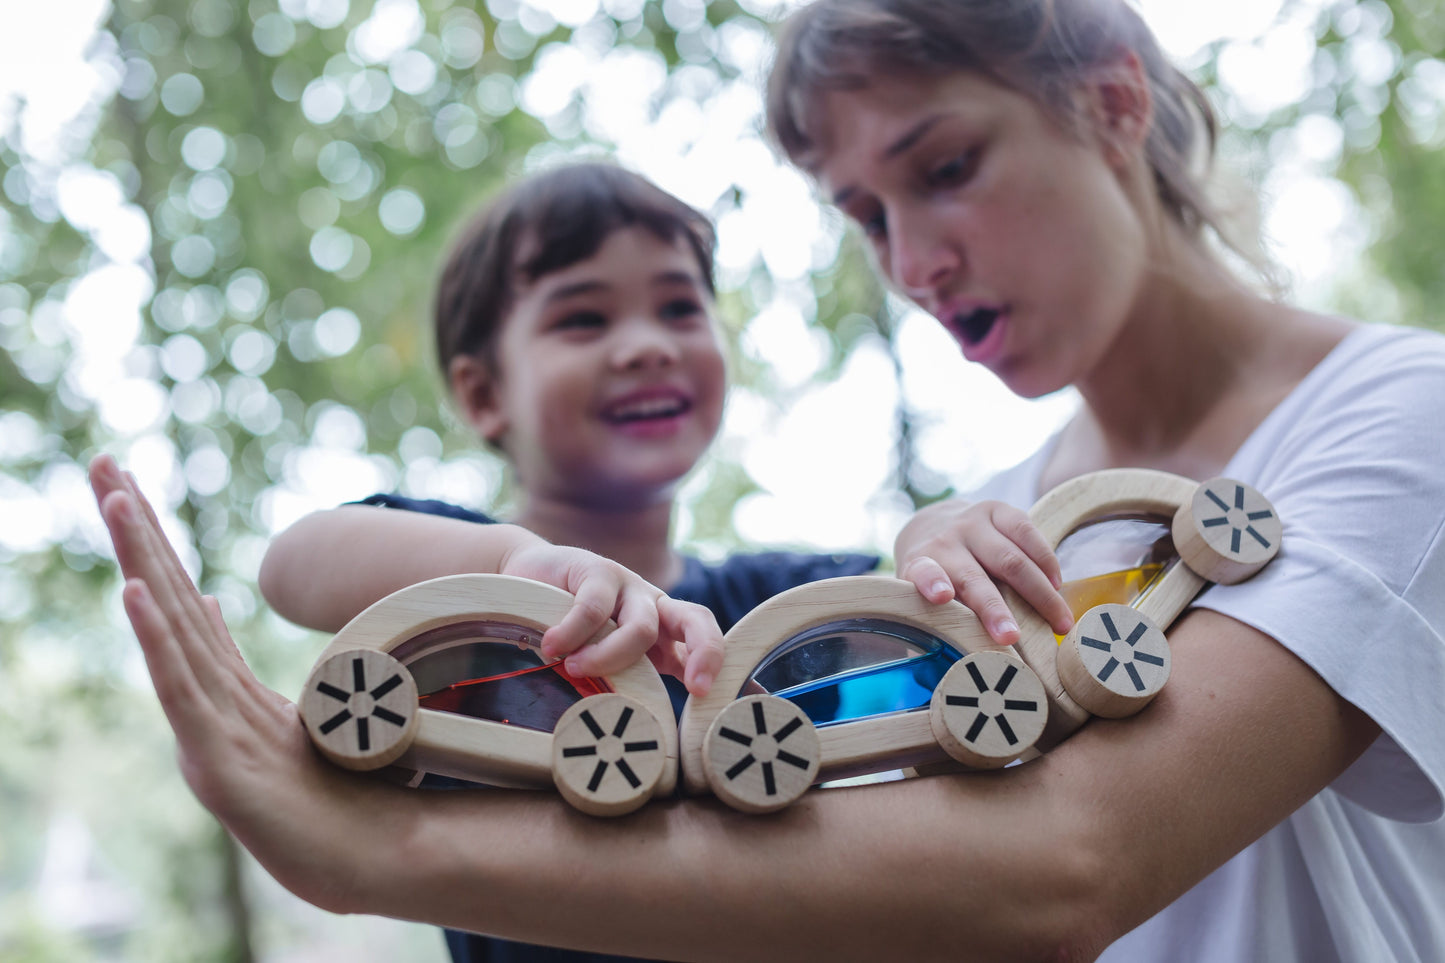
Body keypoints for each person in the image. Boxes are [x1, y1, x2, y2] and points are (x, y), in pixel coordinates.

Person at [90, 1, 1445, 960]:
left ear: (1111, 100)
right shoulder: (1015, 506)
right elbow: (317, 554)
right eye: (864, 216)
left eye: (946, 169)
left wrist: (367, 854)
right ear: (479, 390)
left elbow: (1063, 864)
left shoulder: (1394, 415)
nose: (912, 262)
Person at [255, 161, 879, 962]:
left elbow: (918, 625)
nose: (647, 345)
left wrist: (945, 531)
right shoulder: (467, 584)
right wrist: (516, 565)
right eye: (584, 319)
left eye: (681, 308)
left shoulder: (780, 598)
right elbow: (294, 564)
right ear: (484, 395)